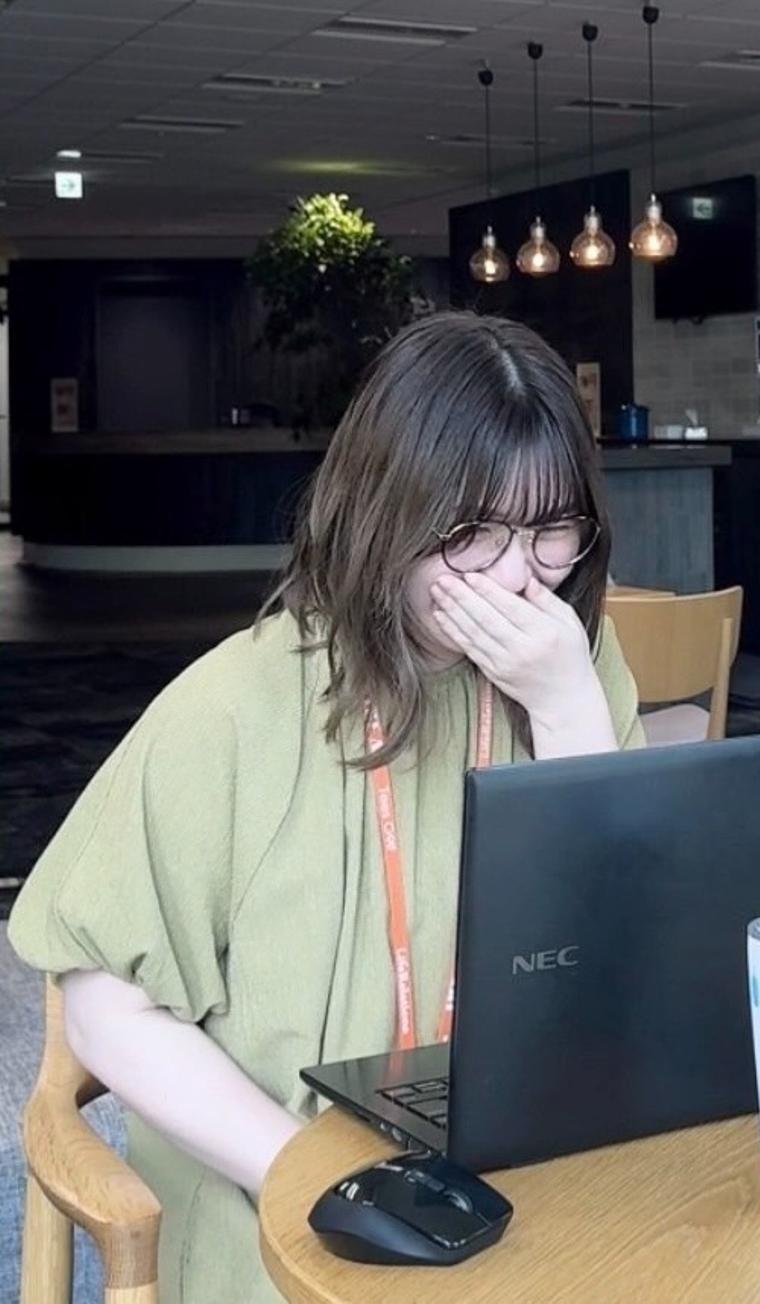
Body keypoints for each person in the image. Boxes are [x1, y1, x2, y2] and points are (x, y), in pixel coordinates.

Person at [9, 311, 647, 1302]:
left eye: (550, 530)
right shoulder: (238, 705)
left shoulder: (571, 666)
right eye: (472, 533)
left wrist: (567, 711)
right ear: (386, 511)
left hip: (529, 1170)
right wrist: (307, 1174)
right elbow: (103, 1007)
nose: (518, 578)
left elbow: (624, 962)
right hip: (284, 1200)